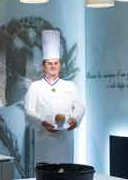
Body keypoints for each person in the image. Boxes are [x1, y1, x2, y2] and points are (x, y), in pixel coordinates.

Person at [24, 30, 85, 164]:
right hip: (44, 140)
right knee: (46, 174)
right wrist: (42, 122)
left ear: (60, 65)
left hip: (65, 139)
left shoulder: (70, 86)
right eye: (49, 63)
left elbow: (80, 106)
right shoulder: (35, 86)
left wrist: (75, 118)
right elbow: (29, 111)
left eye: (56, 63)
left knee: (65, 172)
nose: (53, 66)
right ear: (43, 66)